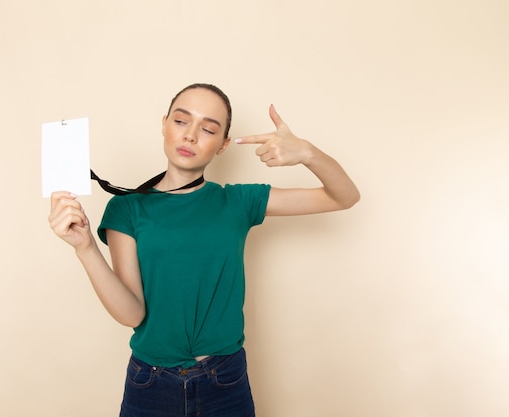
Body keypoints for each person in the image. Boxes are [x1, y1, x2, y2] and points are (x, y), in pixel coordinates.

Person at [48, 83, 360, 417]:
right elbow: (132, 314)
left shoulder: (238, 201)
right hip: (151, 385)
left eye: (208, 128)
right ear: (164, 124)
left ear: (223, 145)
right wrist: (86, 248)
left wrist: (308, 154)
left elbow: (344, 196)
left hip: (225, 381)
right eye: (181, 121)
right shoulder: (127, 209)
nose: (191, 135)